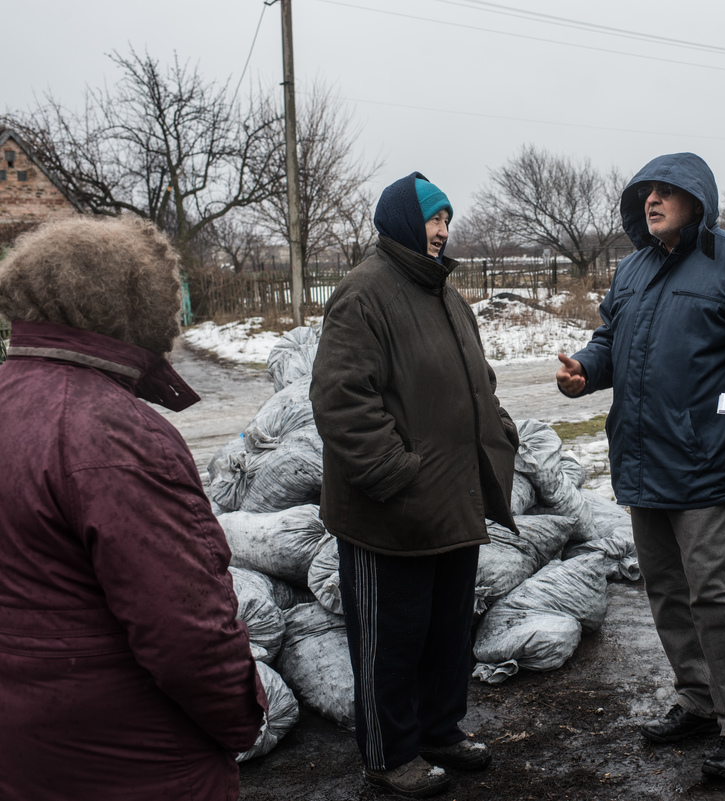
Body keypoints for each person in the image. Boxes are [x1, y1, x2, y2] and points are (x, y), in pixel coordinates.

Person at [0, 215, 267, 801]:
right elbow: (186, 631)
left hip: (25, 750)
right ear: (138, 309)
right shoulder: (117, 436)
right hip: (135, 762)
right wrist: (241, 720)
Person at [556, 152, 725, 780]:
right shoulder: (632, 268)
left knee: (714, 594)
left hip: (707, 463)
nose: (652, 201)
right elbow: (612, 338)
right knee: (664, 591)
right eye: (645, 193)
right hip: (643, 458)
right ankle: (697, 699)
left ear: (698, 201)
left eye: (666, 192)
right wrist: (586, 368)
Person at [310, 172, 520, 798]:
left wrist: (499, 430)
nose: (442, 231)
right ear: (402, 221)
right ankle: (389, 753)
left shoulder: (446, 296)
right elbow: (341, 400)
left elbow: (476, 377)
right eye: (433, 219)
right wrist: (395, 473)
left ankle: (439, 730)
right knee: (389, 641)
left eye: (447, 220)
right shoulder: (364, 293)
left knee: (446, 633)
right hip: (392, 509)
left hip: (452, 500)